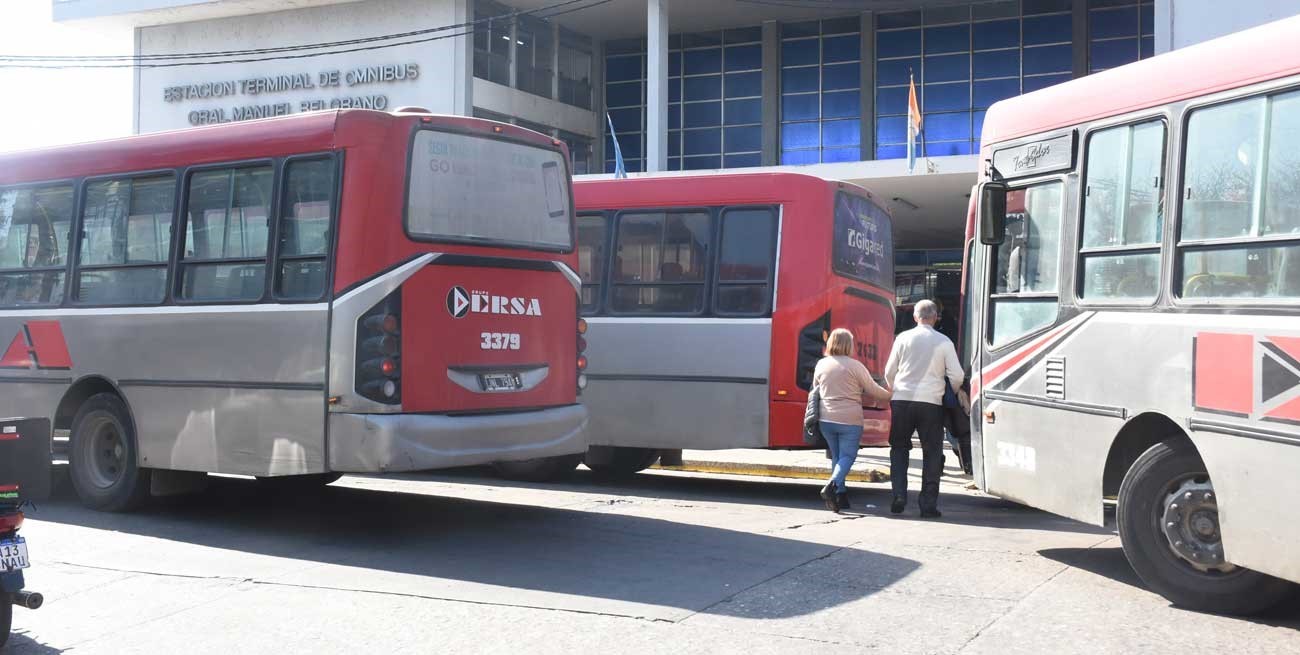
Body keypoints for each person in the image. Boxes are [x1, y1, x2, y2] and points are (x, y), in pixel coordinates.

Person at [884, 299, 964, 518]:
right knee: (932, 453)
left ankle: (898, 495)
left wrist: (896, 389)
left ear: (914, 317)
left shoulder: (902, 338)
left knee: (899, 448)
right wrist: (952, 391)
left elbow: (889, 371)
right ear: (936, 317)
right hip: (931, 403)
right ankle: (927, 504)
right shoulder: (944, 341)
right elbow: (957, 375)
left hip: (902, 400)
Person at [813, 328, 893, 513]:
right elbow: (873, 389)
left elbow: (816, 388)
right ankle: (831, 485)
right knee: (848, 456)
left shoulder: (821, 364)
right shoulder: (855, 366)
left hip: (826, 419)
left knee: (837, 456)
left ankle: (840, 496)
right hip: (850, 419)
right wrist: (890, 395)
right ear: (849, 345)